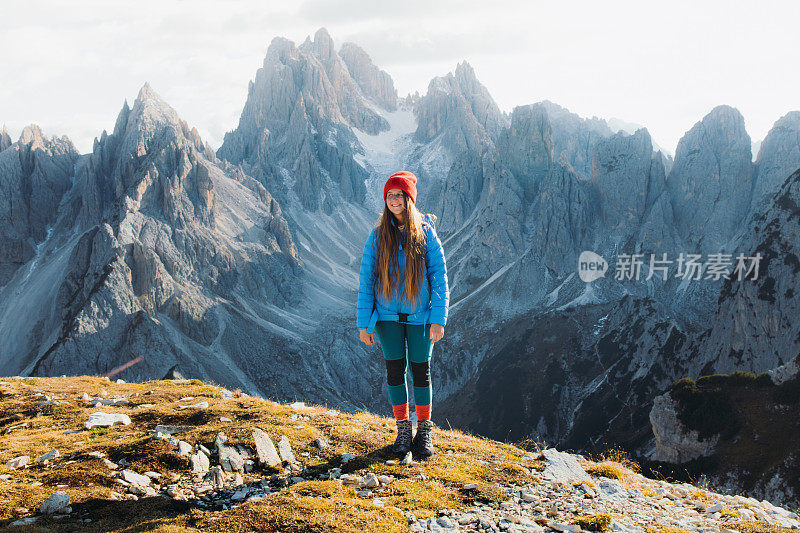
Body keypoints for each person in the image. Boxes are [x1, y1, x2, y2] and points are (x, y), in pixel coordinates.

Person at [357, 170, 449, 458]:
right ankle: (402, 431)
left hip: (421, 318)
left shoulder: (425, 231)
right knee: (395, 374)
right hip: (386, 320)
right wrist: (364, 324)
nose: (394, 200)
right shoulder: (377, 235)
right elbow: (366, 279)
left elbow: (439, 275)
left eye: (399, 195)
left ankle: (424, 432)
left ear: (409, 199)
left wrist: (438, 318)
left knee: (421, 373)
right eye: (389, 195)